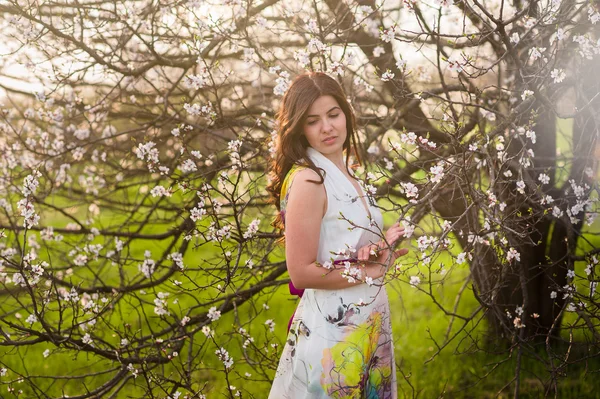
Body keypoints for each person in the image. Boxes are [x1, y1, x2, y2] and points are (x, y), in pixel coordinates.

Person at [266, 72, 407, 398]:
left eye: (333, 114)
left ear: (347, 114)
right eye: (313, 120)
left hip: (367, 323)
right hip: (335, 332)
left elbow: (339, 244)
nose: (327, 127)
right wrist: (368, 271)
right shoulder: (309, 180)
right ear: (300, 127)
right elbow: (300, 272)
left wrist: (378, 247)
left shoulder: (346, 173)